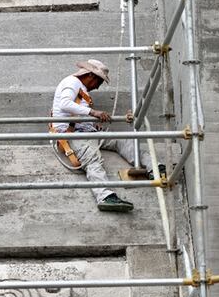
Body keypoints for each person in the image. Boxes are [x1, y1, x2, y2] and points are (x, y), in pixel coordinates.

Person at [49, 59, 149, 213]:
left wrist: (91, 124)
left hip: (86, 132)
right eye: (99, 82)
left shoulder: (81, 88)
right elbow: (65, 104)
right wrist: (93, 112)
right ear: (90, 75)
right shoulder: (72, 82)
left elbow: (77, 113)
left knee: (121, 140)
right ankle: (105, 196)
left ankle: (153, 166)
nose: (97, 87)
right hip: (72, 135)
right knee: (92, 158)